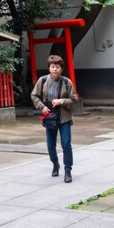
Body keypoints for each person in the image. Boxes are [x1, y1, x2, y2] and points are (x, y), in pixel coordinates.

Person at [31, 55, 77, 183]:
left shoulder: (67, 83)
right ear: (49, 68)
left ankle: (68, 170)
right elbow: (34, 95)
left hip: (64, 117)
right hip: (50, 117)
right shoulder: (43, 80)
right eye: (52, 67)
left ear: (62, 69)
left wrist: (61, 101)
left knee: (66, 144)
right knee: (51, 146)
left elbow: (74, 100)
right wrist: (42, 107)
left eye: (57, 67)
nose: (55, 69)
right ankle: (55, 164)